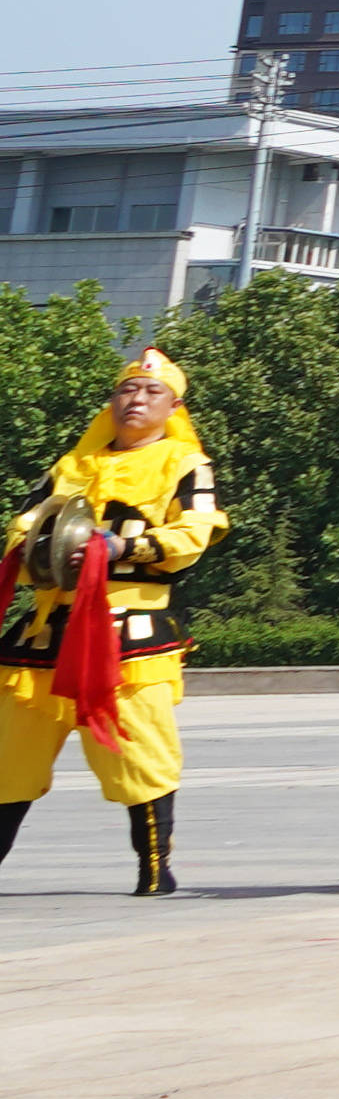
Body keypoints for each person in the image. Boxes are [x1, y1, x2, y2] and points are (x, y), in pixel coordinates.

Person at [3, 349, 224, 893]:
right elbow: (23, 526)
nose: (137, 400)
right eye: (127, 390)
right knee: (8, 756)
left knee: (138, 752)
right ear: (112, 401)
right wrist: (37, 549)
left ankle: (155, 868)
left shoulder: (184, 463)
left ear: (172, 406)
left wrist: (123, 545)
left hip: (128, 630)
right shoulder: (72, 465)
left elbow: (194, 533)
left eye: (151, 393)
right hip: (46, 632)